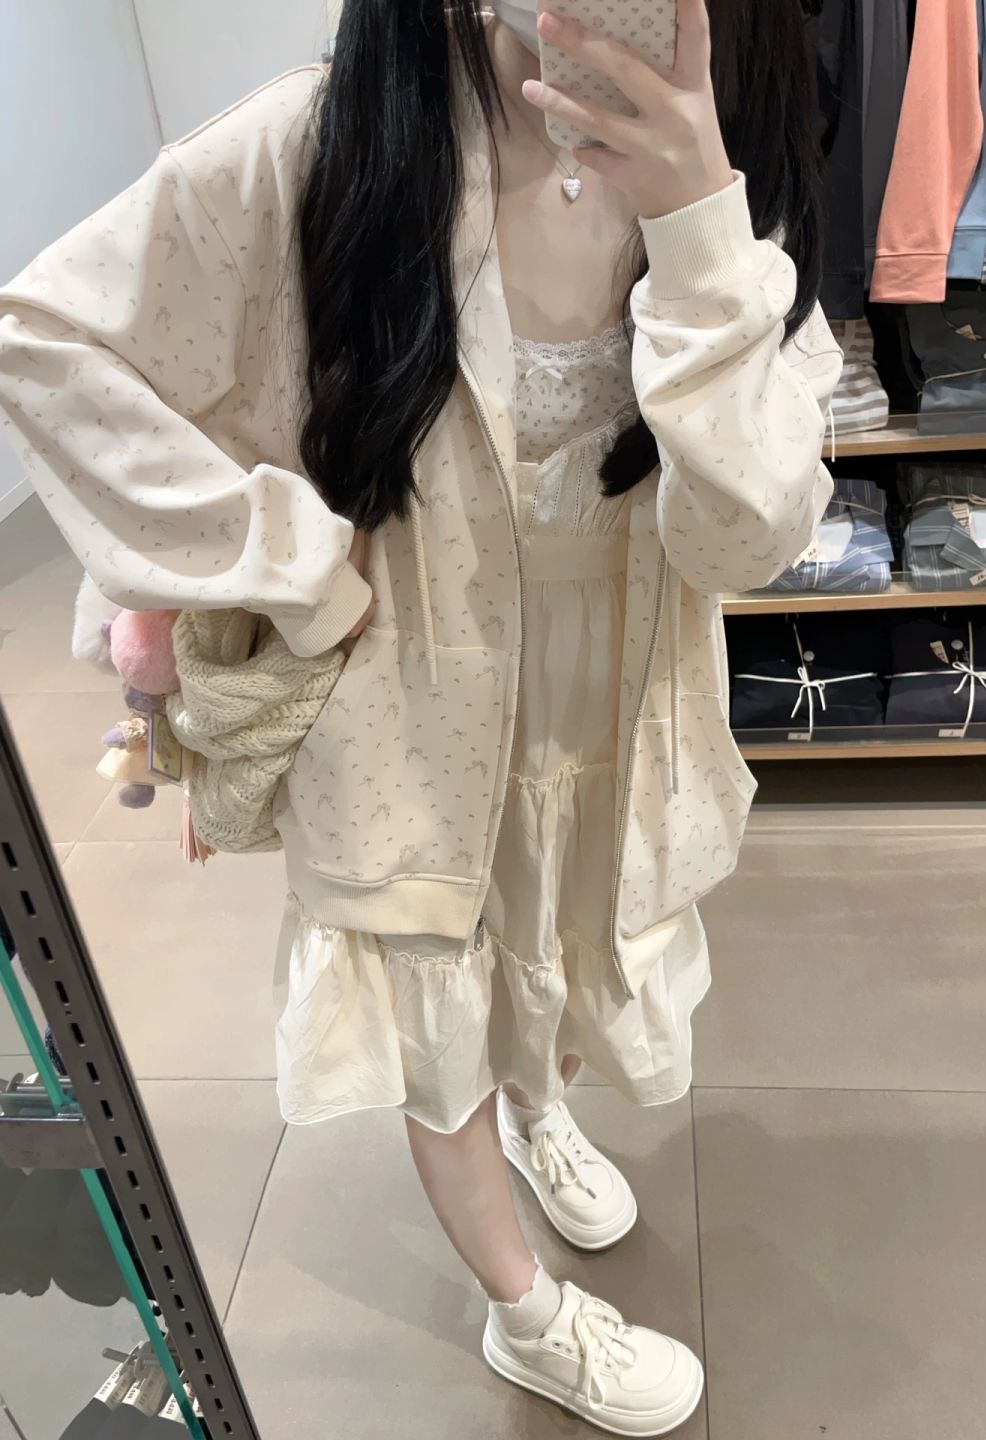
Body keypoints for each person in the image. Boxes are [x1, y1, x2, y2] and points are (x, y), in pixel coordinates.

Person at [0, 1, 840, 1431]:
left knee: (569, 942)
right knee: (433, 1008)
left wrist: (701, 222)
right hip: (409, 695)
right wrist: (286, 559)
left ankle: (541, 1110)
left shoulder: (737, 145)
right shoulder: (326, 139)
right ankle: (526, 1315)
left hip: (620, 679)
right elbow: (45, 340)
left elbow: (744, 539)